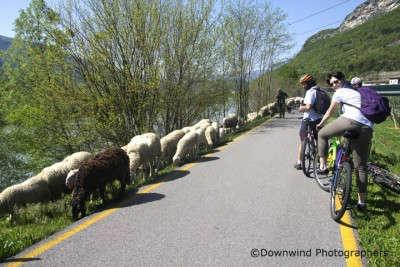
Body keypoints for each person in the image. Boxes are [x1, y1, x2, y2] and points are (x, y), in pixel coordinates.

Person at [317, 71, 373, 211]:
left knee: (322, 134)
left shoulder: (340, 92)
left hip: (350, 120)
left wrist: (321, 124)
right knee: (360, 166)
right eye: (332, 83)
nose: (335, 85)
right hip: (367, 127)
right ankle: (362, 203)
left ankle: (323, 166)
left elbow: (330, 112)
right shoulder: (357, 92)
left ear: (342, 79)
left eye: (336, 81)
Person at [294, 74, 323, 170]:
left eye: (304, 83)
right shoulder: (318, 90)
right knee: (319, 140)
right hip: (319, 118)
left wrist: (300, 109)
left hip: (308, 119)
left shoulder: (310, 92)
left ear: (309, 83)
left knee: (303, 139)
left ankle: (299, 162)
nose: (303, 86)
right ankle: (321, 162)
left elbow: (308, 107)